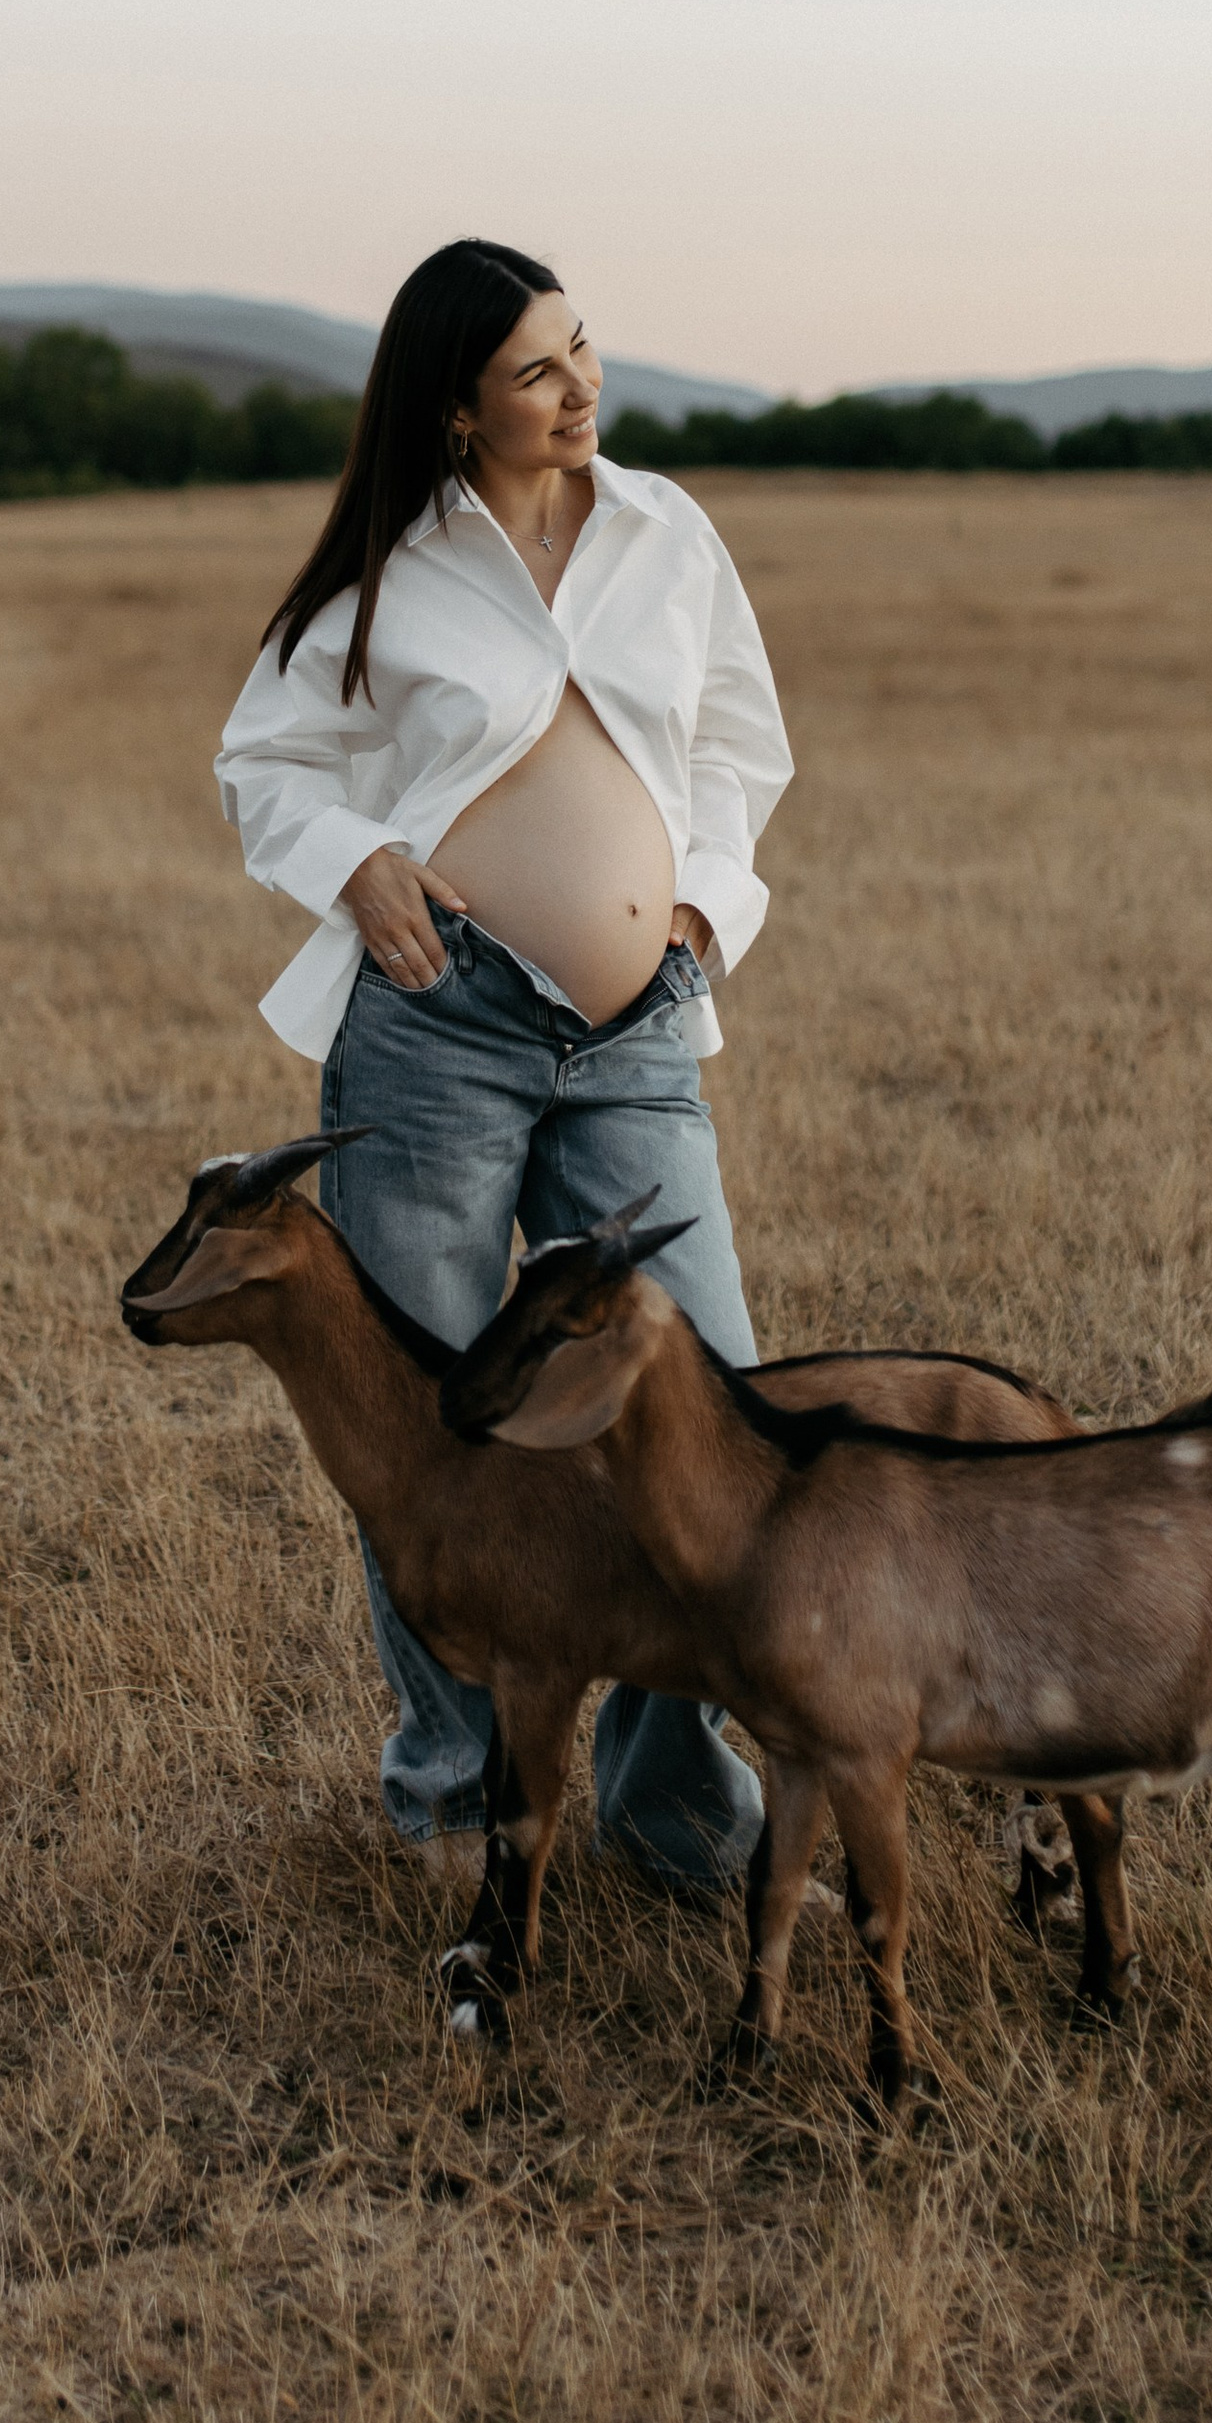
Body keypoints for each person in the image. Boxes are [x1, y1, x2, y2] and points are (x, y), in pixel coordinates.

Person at [214, 236, 793, 1889]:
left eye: (585, 350)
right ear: (457, 408)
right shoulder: (392, 561)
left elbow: (745, 744)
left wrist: (700, 909)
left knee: (701, 1414)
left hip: (636, 1039)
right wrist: (357, 861)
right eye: (538, 370)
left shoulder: (668, 533)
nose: (581, 386)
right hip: (437, 1030)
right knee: (439, 1427)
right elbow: (263, 759)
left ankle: (677, 1809)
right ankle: (462, 1799)